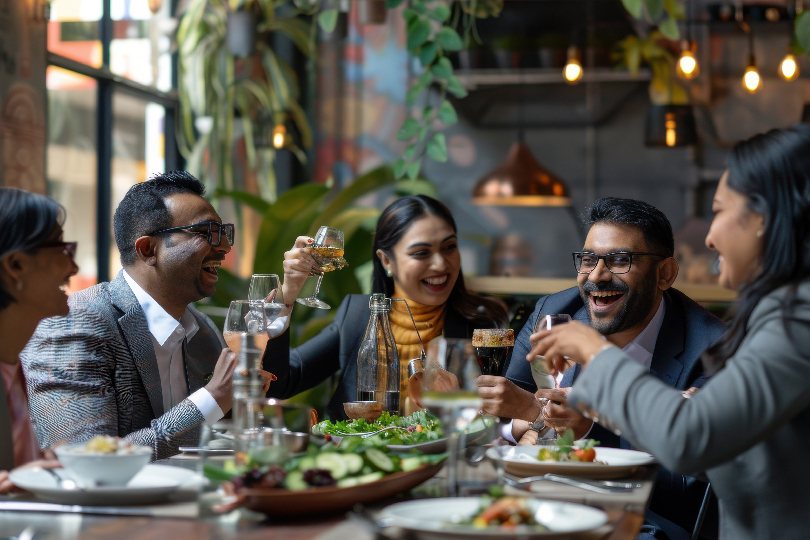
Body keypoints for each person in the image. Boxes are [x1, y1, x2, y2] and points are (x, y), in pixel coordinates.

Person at [533, 126, 810, 540]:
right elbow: (722, 447)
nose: (711, 237)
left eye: (719, 210)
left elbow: (688, 442)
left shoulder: (797, 320)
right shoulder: (781, 314)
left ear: (763, 218)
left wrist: (595, 351)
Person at [480, 197, 726, 540]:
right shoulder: (554, 312)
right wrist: (535, 421)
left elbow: (686, 485)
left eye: (619, 260)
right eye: (588, 259)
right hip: (541, 504)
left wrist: (579, 428)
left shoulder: (713, 348)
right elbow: (503, 410)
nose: (597, 276)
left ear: (665, 274)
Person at [21, 171, 271, 461]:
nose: (225, 247)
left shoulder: (203, 331)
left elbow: (218, 434)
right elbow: (83, 460)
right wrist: (211, 398)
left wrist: (243, 403)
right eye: (207, 233)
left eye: (225, 233)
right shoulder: (77, 323)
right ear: (148, 249)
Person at [264, 195, 509, 420]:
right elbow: (278, 384)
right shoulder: (357, 316)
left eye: (449, 247)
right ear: (386, 260)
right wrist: (289, 293)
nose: (440, 264)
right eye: (421, 252)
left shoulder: (485, 323)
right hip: (363, 462)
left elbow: (507, 415)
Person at [0, 188, 77, 493]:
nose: (74, 267)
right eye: (63, 249)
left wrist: (37, 460)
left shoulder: (13, 362)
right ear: (16, 264)